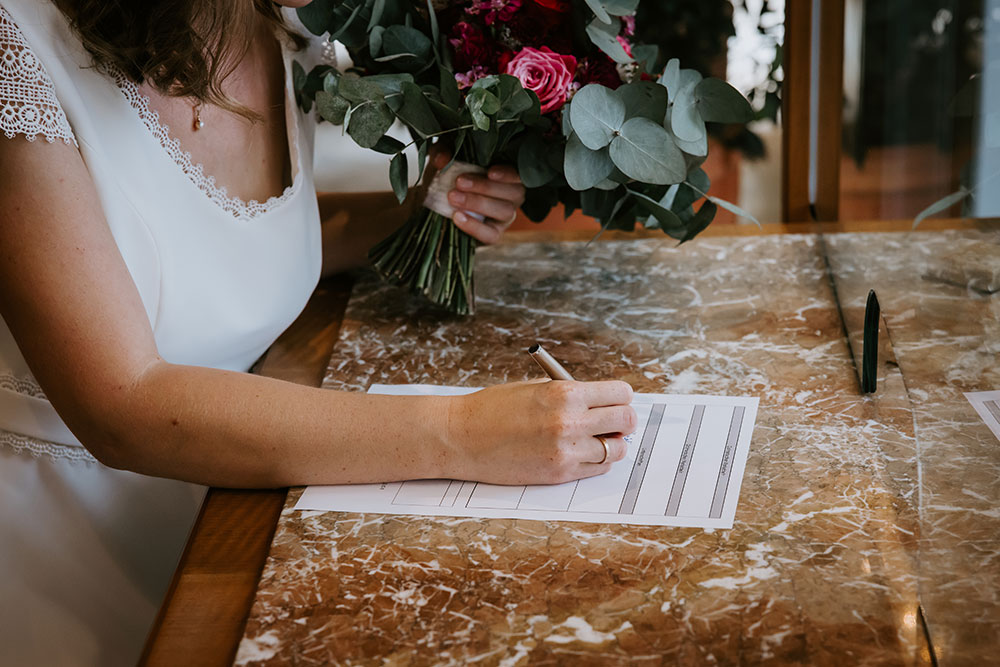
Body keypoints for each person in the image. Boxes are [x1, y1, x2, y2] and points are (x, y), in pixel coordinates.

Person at [0, 0, 637, 662]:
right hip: (70, 560)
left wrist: (425, 213)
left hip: (241, 507)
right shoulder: (17, 52)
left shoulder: (279, 19)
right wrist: (462, 434)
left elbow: (221, 244)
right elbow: (123, 403)